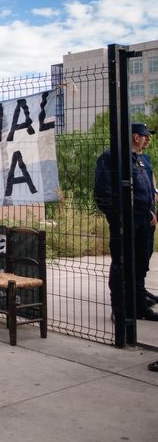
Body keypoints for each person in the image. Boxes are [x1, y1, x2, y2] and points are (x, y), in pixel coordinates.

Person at [95, 122, 158, 320]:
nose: (148, 139)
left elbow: (151, 191)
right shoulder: (112, 157)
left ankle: (139, 307)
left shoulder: (143, 160)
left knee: (140, 265)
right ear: (134, 137)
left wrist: (153, 212)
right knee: (121, 265)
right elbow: (103, 194)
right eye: (144, 135)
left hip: (145, 222)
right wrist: (119, 218)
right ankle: (120, 309)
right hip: (125, 223)